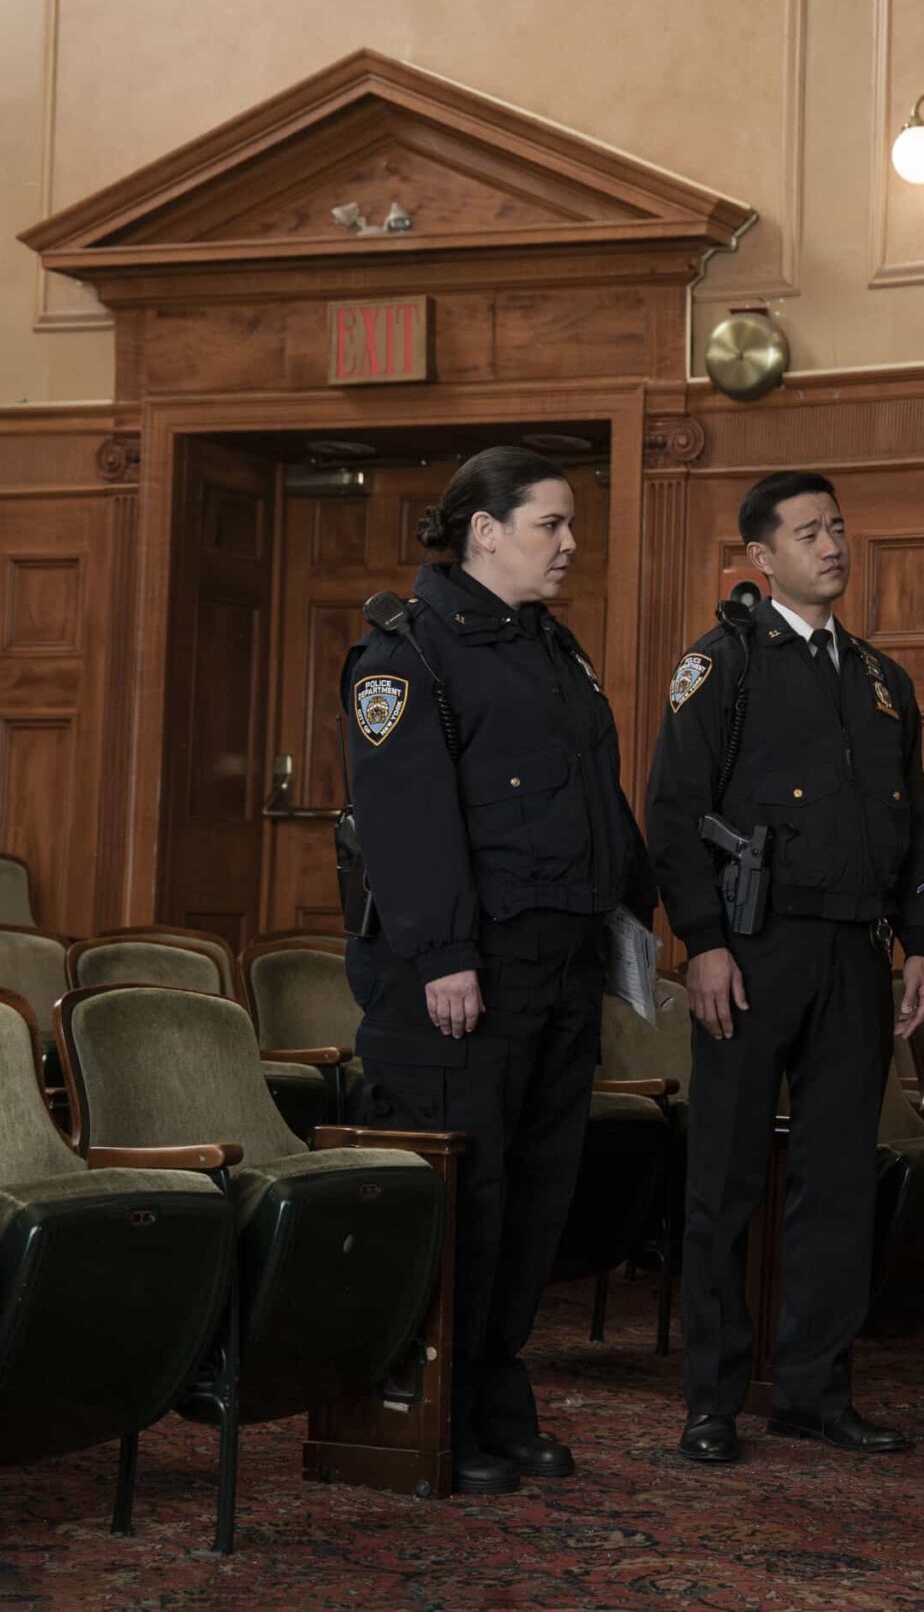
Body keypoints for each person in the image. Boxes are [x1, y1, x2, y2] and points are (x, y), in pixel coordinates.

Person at [341, 445, 656, 1498]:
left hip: (559, 962)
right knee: (466, 1203)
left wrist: (639, 914)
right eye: (549, 525)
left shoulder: (550, 650)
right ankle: (438, 1409)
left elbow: (595, 799)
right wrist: (443, 956)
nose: (569, 545)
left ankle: (495, 1396)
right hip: (464, 975)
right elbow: (406, 819)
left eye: (570, 527)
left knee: (534, 1197)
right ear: (484, 529)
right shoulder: (408, 653)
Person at [646, 470, 924, 1464]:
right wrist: (705, 944)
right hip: (753, 946)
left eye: (840, 527)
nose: (833, 544)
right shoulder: (721, 662)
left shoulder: (877, 678)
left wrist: (922, 944)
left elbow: (913, 820)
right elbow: (675, 811)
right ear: (761, 557)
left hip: (856, 951)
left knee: (837, 1180)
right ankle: (712, 1401)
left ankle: (815, 1390)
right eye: (809, 531)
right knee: (724, 1177)